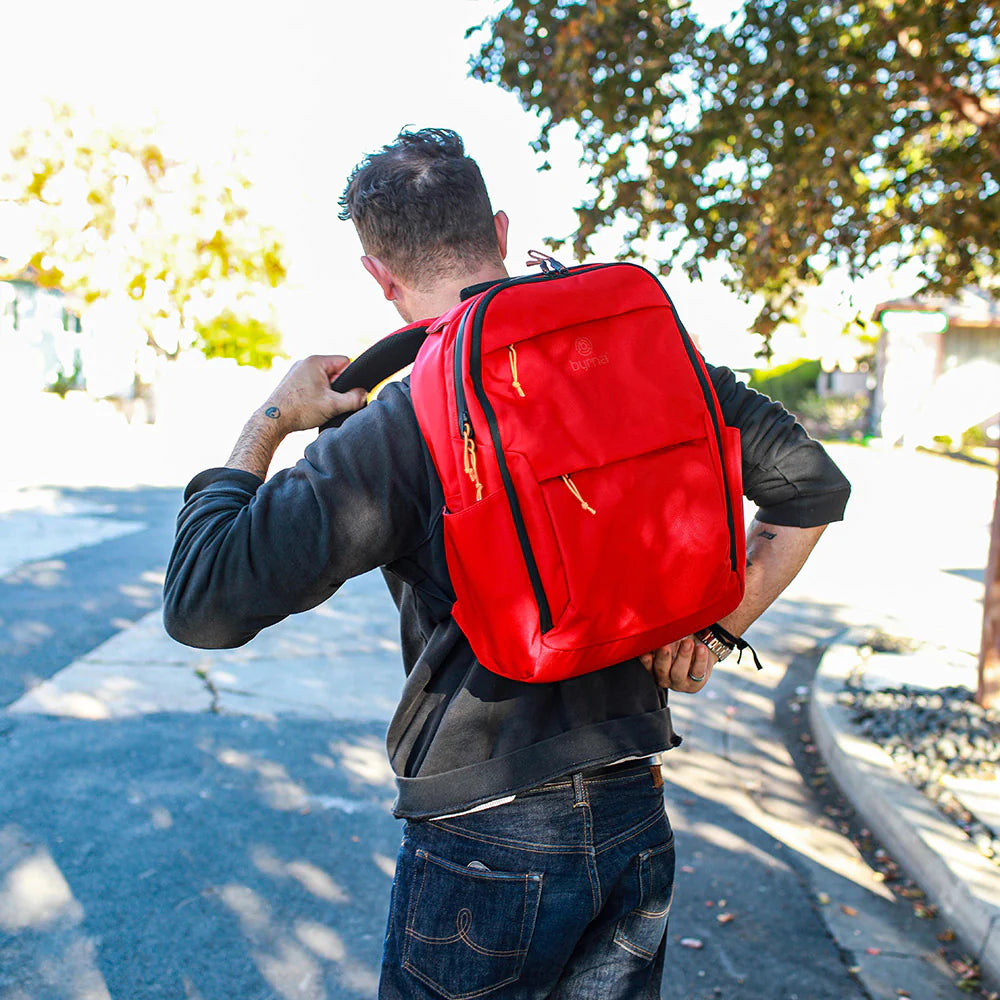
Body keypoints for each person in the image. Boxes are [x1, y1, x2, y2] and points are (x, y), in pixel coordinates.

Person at [163, 127, 851, 999]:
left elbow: (203, 600)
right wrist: (713, 628)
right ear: (498, 229)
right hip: (634, 801)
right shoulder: (650, 362)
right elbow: (813, 489)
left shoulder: (407, 418)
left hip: (487, 827)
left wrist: (269, 420)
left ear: (380, 276)